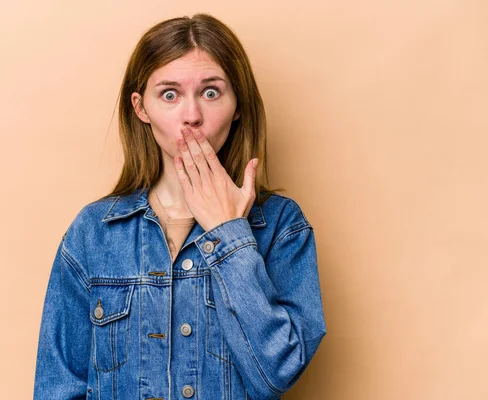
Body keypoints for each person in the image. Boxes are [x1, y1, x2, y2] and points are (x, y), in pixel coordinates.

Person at [33, 13, 327, 400]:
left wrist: (230, 236)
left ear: (238, 104)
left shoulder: (281, 226)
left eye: (210, 92)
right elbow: (58, 387)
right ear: (141, 108)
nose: (191, 116)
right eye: (169, 94)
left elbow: (276, 373)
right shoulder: (93, 232)